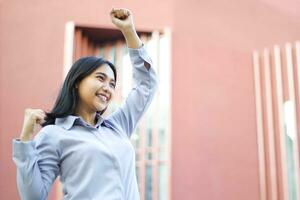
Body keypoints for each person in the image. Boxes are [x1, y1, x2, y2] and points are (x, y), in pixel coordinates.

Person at [12, 8, 157, 200]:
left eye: (112, 84)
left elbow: (146, 84)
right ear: (77, 82)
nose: (108, 88)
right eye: (100, 78)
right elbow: (33, 196)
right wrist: (26, 139)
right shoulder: (54, 134)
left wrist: (129, 31)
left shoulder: (118, 126)